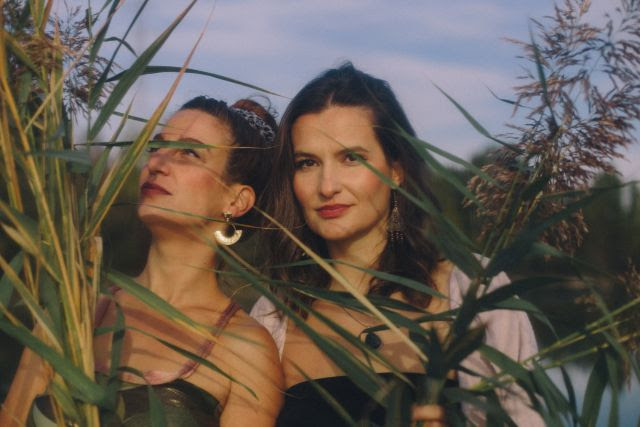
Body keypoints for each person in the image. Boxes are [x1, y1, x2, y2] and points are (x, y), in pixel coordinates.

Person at [251, 63, 542, 426]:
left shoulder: (473, 289)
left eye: (351, 158)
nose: (327, 186)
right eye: (307, 163)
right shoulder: (276, 314)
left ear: (396, 170)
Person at [1, 96, 284, 426]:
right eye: (157, 147)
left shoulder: (246, 350)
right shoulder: (74, 310)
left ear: (236, 200)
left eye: (189, 153)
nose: (158, 163)